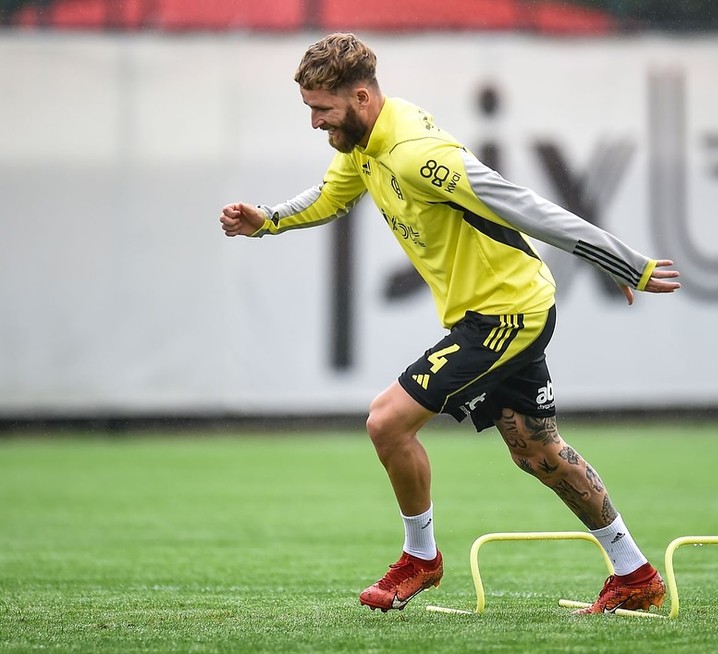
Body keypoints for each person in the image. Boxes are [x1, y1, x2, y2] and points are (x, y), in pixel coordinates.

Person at [219, 33, 681, 615]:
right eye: (310, 108)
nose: (314, 121)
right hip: (492, 311)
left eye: (321, 109)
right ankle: (635, 573)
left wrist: (619, 261)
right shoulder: (363, 144)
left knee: (387, 421)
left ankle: (421, 559)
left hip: (509, 314)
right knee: (539, 452)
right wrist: (269, 220)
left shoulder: (418, 152)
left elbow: (524, 205)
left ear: (361, 97)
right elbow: (332, 196)